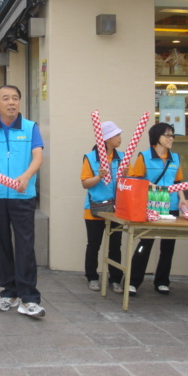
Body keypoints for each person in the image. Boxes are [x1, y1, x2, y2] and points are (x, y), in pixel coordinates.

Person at [0, 85, 45, 318]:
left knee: (25, 246)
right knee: (1, 245)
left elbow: (38, 157)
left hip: (22, 196)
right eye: (6, 99)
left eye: (15, 98)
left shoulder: (30, 127)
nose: (11, 102)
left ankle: (29, 298)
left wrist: (25, 177)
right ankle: (8, 293)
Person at [129, 123, 188, 296]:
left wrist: (183, 199)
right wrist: (153, 186)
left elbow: (178, 182)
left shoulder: (175, 158)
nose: (171, 139)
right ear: (157, 137)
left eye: (172, 135)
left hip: (171, 205)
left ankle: (162, 281)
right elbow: (137, 180)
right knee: (145, 243)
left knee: (168, 245)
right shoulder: (144, 157)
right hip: (151, 206)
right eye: (167, 135)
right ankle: (133, 281)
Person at [80, 121, 124, 293]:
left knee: (116, 244)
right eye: (117, 135)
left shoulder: (122, 157)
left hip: (117, 209)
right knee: (94, 244)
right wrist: (99, 176)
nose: (120, 138)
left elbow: (132, 181)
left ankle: (115, 279)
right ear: (106, 139)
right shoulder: (91, 157)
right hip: (94, 208)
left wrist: (127, 174)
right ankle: (92, 277)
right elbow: (85, 183)